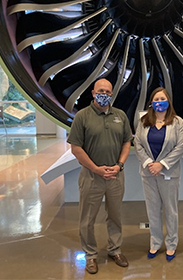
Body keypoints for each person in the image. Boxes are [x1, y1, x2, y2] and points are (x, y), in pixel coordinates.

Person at [67, 78, 133, 274]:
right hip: (91, 177)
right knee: (87, 219)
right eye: (100, 91)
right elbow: (76, 148)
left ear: (112, 94)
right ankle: (91, 255)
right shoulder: (82, 116)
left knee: (115, 216)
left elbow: (126, 142)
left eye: (108, 91)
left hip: (115, 176)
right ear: (93, 93)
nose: (104, 94)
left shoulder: (120, 116)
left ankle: (115, 250)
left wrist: (119, 165)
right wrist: (95, 169)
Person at [134, 87, 183, 262]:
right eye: (156, 99)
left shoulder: (177, 122)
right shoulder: (143, 121)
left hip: (169, 173)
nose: (159, 102)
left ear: (168, 101)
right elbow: (138, 144)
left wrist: (162, 165)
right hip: (148, 173)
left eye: (162, 99)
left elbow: (180, 146)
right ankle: (155, 243)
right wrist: (150, 164)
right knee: (153, 210)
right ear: (151, 102)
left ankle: (171, 244)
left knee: (171, 211)